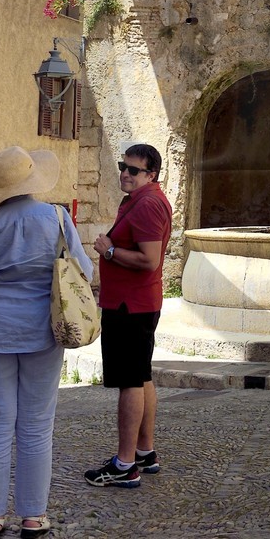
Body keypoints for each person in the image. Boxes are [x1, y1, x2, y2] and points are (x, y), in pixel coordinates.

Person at [0, 146, 90, 539]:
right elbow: (85, 271)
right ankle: (33, 515)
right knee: (37, 424)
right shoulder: (57, 219)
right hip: (43, 331)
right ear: (32, 180)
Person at [84, 143, 172, 489]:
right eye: (123, 166)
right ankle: (144, 451)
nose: (125, 173)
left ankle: (124, 464)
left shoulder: (147, 204)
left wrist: (110, 251)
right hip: (136, 302)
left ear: (151, 175)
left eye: (134, 170)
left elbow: (150, 260)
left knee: (130, 382)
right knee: (141, 376)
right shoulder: (141, 200)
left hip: (129, 306)